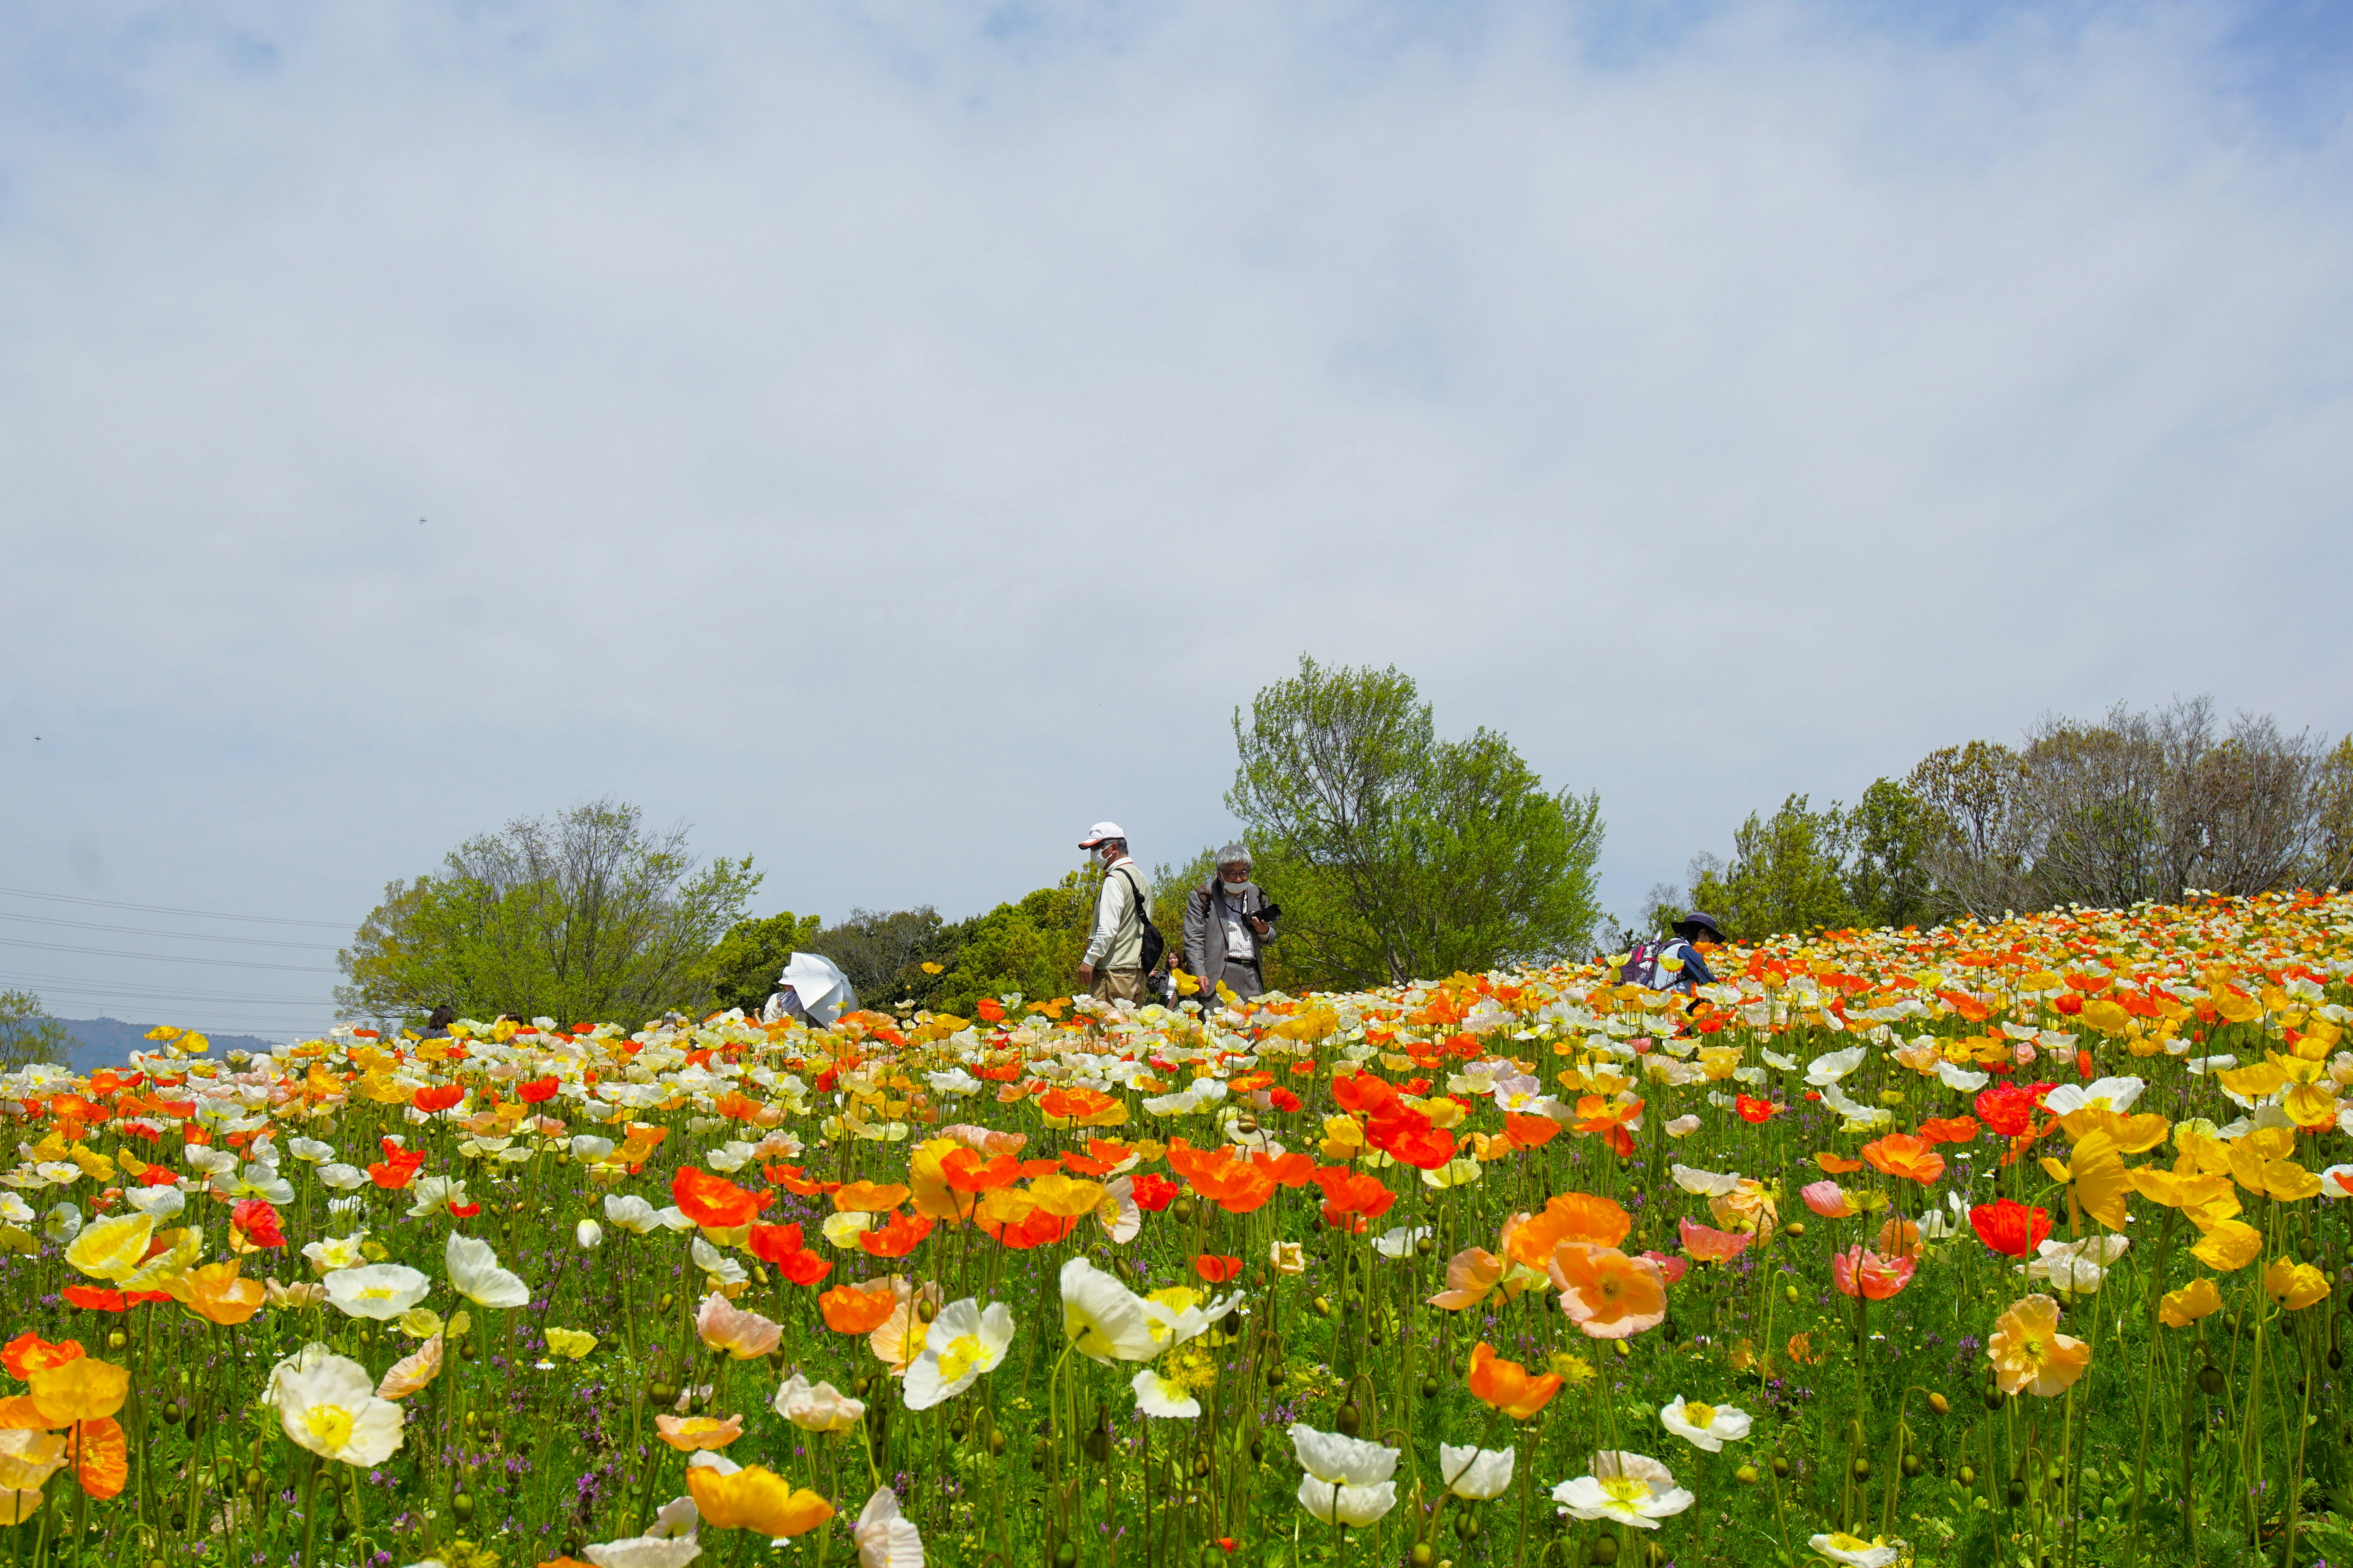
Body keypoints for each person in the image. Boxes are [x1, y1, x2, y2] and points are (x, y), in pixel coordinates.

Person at [1183, 844, 1275, 1003]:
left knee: (1253, 1026)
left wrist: (1264, 930)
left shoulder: (1259, 896)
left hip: (1251, 976)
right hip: (1217, 976)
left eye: (1244, 872)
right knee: (1215, 1027)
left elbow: (1272, 935)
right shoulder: (1203, 897)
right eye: (1232, 873)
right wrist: (1199, 973)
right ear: (1220, 874)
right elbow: (1193, 939)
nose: (1239, 879)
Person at [1075, 821, 1154, 1005]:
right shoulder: (1141, 878)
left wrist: (1089, 960)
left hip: (1113, 973)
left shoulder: (1114, 879)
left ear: (1114, 848)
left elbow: (1107, 930)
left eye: (1097, 848)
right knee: (1129, 1031)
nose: (1093, 854)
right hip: (1137, 971)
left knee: (1104, 1031)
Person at [1633, 912, 1726, 995]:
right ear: (1702, 933)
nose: (1711, 944)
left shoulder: (1669, 947)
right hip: (1669, 1009)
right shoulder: (1684, 950)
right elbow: (1711, 985)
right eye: (1711, 939)